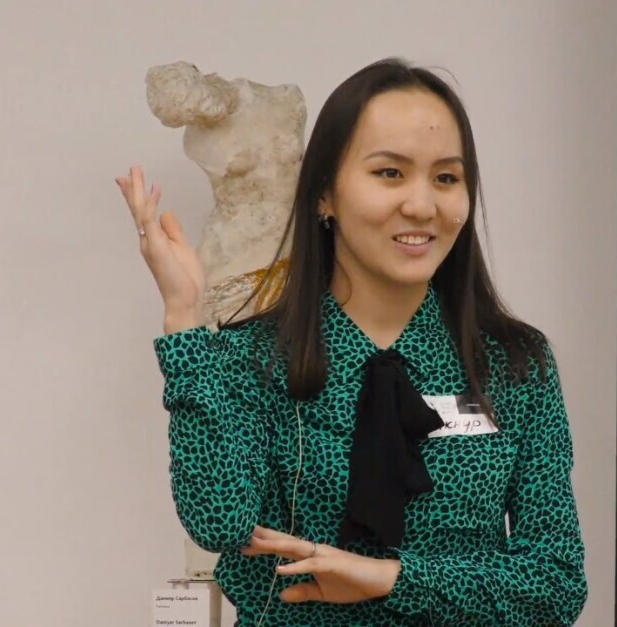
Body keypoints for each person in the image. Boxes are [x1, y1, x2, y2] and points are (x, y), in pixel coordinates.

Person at [116, 57, 588, 626]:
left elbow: (556, 584)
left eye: (446, 178)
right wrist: (185, 322)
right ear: (324, 193)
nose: (422, 205)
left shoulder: (514, 364)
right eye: (390, 173)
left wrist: (391, 579)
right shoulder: (255, 356)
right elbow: (219, 521)